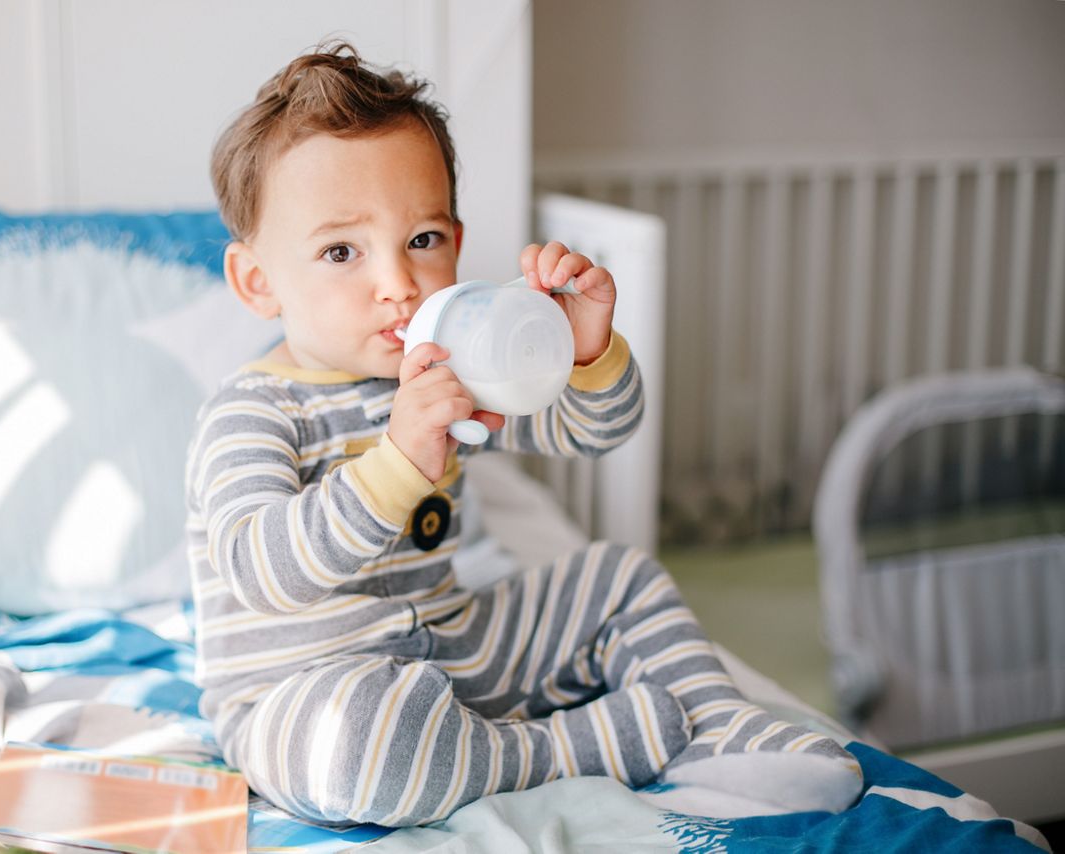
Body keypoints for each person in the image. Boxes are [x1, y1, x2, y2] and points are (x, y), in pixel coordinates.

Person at [185, 41, 861, 827]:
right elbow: (265, 571)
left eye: (423, 240)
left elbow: (596, 431)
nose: (398, 284)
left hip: (453, 644)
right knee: (353, 746)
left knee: (619, 581)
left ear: (457, 244)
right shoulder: (253, 412)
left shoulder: (446, 368)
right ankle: (565, 748)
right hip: (305, 691)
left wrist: (584, 353)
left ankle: (716, 725)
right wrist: (398, 461)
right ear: (257, 283)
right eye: (342, 251)